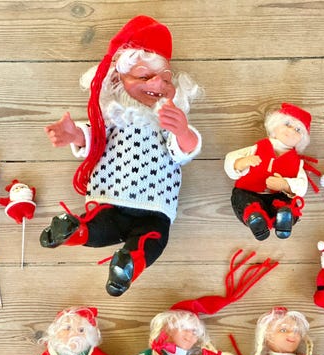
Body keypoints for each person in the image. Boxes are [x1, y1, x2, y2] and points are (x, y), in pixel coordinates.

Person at [40, 16, 202, 297]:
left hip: (155, 204)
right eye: (144, 76)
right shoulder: (112, 118)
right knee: (102, 227)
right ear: (117, 79)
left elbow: (185, 151)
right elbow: (95, 139)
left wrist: (182, 130)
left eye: (165, 78)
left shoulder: (167, 121)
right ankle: (74, 232)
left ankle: (125, 263)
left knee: (153, 238)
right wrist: (75, 135)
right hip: (110, 197)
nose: (157, 83)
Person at [224, 103, 318, 241]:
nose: (291, 130)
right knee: (241, 198)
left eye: (298, 129)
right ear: (275, 125)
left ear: (301, 139)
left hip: (278, 198)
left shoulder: (297, 162)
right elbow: (230, 159)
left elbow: (302, 186)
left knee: (289, 204)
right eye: (287, 124)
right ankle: (255, 218)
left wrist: (285, 184)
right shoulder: (257, 148)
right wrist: (241, 163)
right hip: (249, 193)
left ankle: (283, 219)